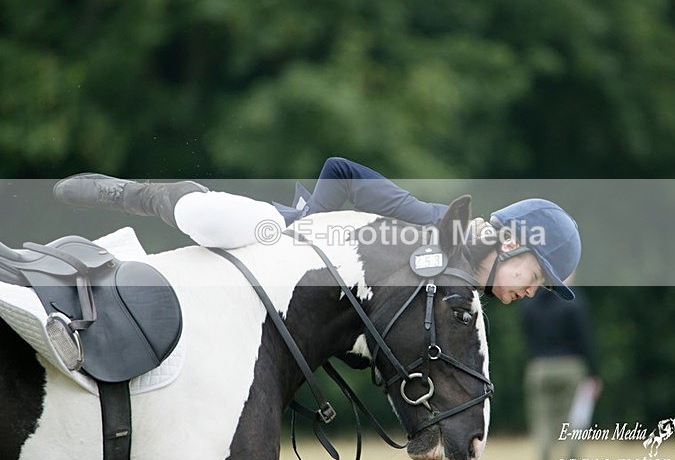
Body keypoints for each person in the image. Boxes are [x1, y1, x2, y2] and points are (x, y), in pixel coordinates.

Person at [53, 157, 581, 304]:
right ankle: (131, 194)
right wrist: (303, 228)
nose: (532, 291)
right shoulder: (441, 228)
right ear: (511, 241)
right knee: (231, 223)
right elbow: (342, 170)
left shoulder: (457, 284)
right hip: (281, 230)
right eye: (536, 275)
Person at [521, 277, 602, 460]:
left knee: (542, 420)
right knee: (573, 418)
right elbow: (585, 340)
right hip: (571, 366)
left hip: (539, 367)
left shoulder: (528, 304)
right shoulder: (575, 302)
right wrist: (594, 373)